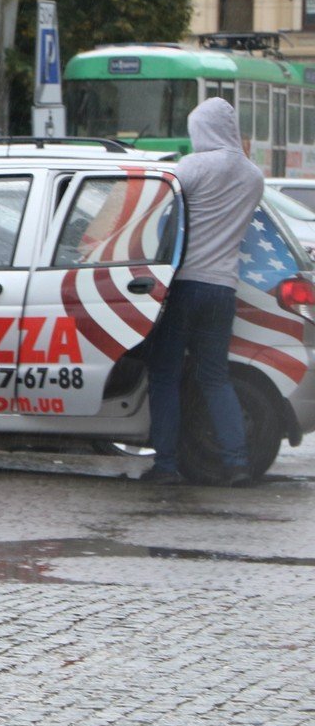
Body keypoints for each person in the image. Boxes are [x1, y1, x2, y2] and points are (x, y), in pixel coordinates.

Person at [141, 97, 263, 487]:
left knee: (165, 374)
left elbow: (161, 208)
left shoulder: (192, 166)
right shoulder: (253, 176)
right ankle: (237, 461)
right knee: (215, 376)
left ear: (203, 130)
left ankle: (165, 465)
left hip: (185, 284)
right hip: (223, 289)